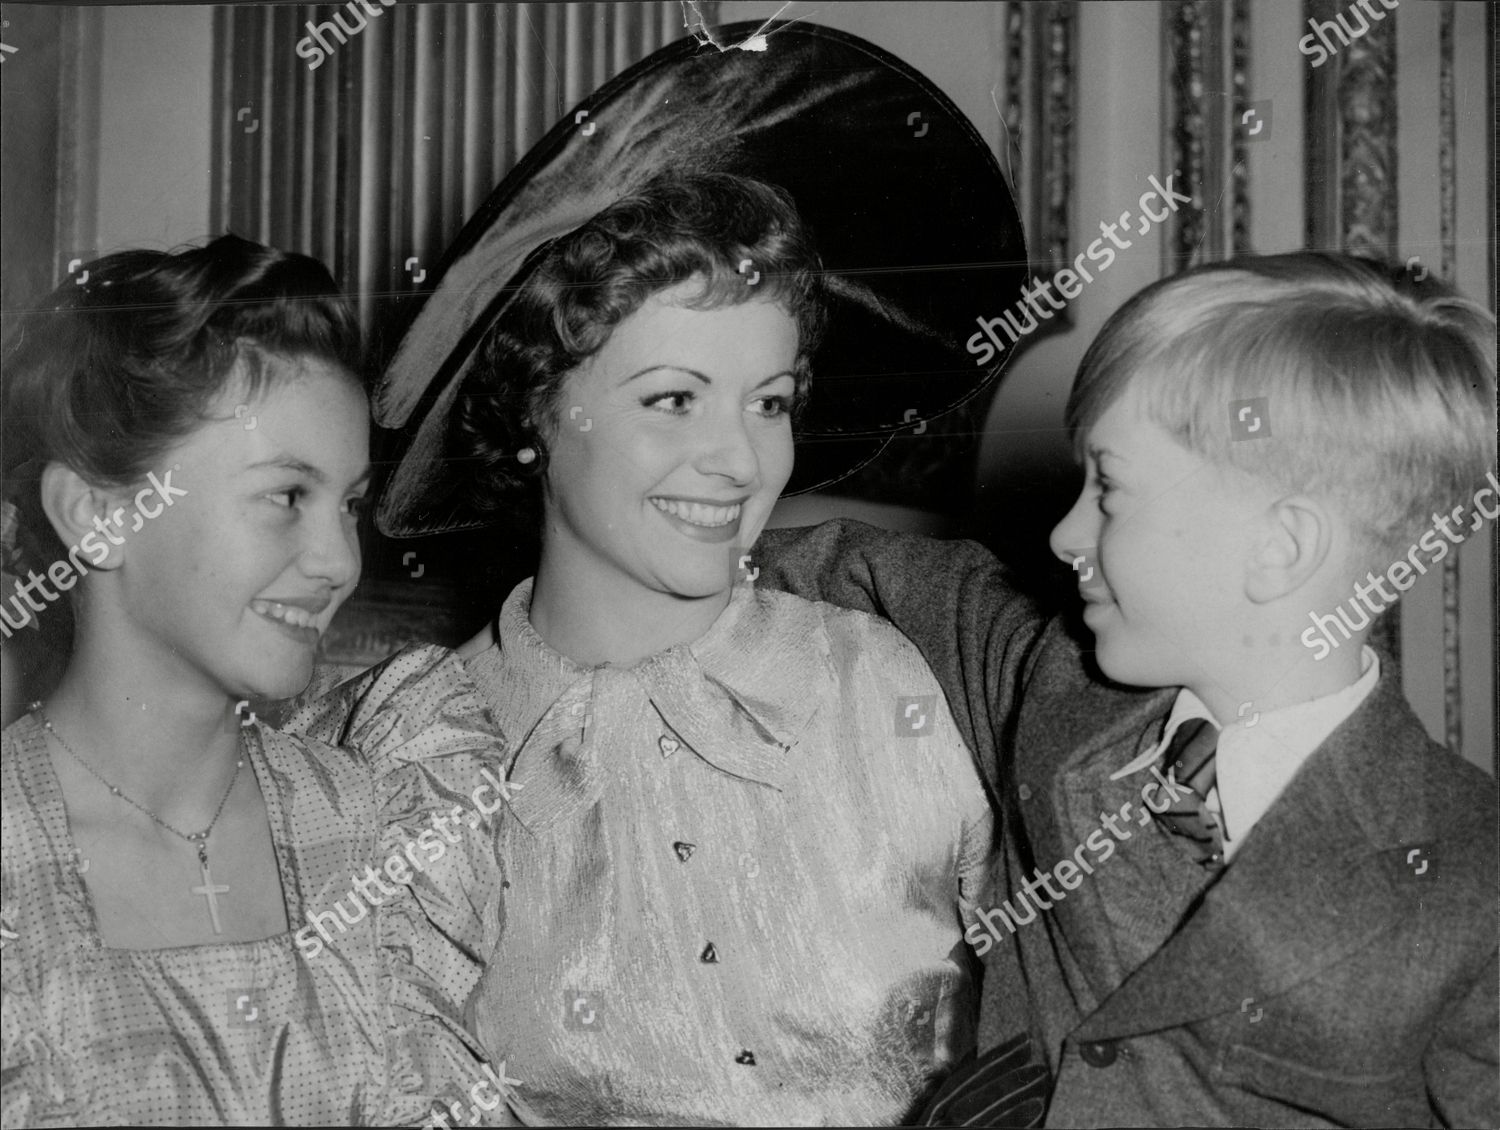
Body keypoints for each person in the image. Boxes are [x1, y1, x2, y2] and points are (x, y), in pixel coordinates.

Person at [754, 251, 1499, 1127]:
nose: (1065, 534)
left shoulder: (1470, 874)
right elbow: (859, 567)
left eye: (1109, 490)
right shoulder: (1050, 678)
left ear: (1280, 549)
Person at [0, 235, 505, 1125]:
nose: (339, 562)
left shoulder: (374, 830)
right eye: (286, 496)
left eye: (348, 504)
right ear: (98, 515)